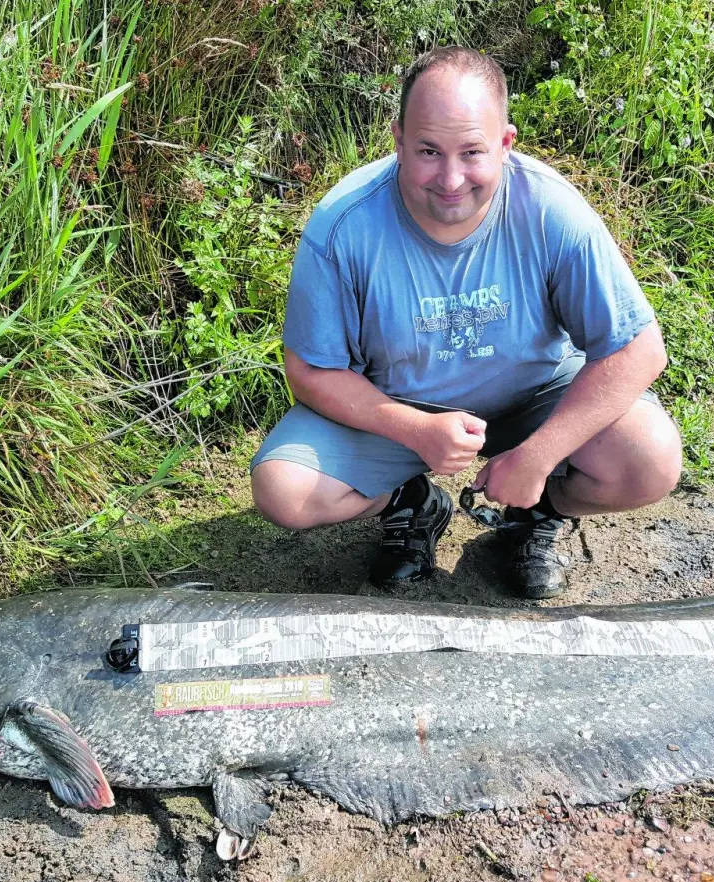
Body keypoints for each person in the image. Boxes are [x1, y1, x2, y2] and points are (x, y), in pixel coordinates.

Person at [249, 46, 682, 599]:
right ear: (398, 138)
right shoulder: (343, 226)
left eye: (472, 152)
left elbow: (640, 349)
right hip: (400, 406)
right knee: (284, 490)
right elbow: (310, 370)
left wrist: (539, 454)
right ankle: (413, 504)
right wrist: (414, 430)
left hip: (536, 397)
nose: (450, 178)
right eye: (428, 150)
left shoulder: (551, 210)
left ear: (505, 143)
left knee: (649, 461)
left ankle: (532, 509)